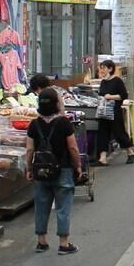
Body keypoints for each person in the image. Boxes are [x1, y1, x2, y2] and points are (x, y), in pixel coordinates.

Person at [26, 87, 82, 255]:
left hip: (41, 171)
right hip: (63, 169)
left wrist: (29, 168)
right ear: (57, 103)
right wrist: (78, 165)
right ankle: (64, 243)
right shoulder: (64, 123)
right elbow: (73, 147)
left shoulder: (34, 124)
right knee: (63, 207)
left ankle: (41, 241)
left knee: (41, 205)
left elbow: (29, 149)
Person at [95, 59, 134, 166]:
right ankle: (102, 158)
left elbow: (124, 95)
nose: (101, 70)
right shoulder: (103, 81)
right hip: (103, 112)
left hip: (114, 112)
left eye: (104, 68)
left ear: (110, 69)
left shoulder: (117, 81)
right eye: (101, 68)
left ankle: (130, 152)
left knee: (119, 133)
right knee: (102, 134)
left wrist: (110, 97)